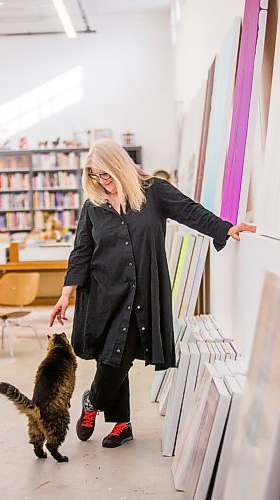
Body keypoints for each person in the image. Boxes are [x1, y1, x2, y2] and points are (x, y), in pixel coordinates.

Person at [49, 139, 255, 448]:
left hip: (142, 293)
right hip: (104, 294)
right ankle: (122, 425)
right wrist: (66, 294)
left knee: (120, 356)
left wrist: (224, 228)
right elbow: (82, 251)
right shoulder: (93, 205)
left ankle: (92, 401)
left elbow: (190, 211)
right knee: (113, 355)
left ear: (120, 165)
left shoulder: (154, 191)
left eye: (107, 174)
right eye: (95, 176)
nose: (103, 182)